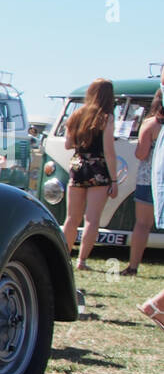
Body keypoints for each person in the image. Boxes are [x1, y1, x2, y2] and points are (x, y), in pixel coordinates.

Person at [62, 78, 118, 271]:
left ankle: (64, 255)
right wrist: (115, 179)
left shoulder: (76, 114)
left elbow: (68, 144)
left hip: (77, 166)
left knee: (71, 218)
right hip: (98, 168)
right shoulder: (106, 117)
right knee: (92, 219)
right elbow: (109, 151)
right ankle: (82, 261)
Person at [126, 88, 162, 275]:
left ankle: (133, 266)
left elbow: (141, 153)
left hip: (149, 179)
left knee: (142, 224)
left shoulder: (150, 124)